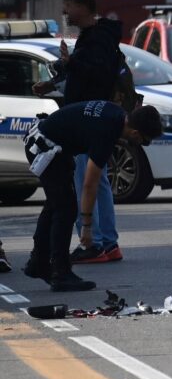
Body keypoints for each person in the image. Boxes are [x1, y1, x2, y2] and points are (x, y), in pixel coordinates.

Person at [22, 102, 162, 292]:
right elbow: (89, 184)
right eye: (144, 141)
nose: (141, 144)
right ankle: (60, 273)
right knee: (66, 208)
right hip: (45, 148)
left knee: (56, 203)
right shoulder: (107, 132)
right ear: (136, 133)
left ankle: (39, 262)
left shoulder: (116, 113)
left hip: (47, 140)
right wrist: (87, 228)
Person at [34, 0, 126, 265]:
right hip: (94, 118)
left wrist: (71, 63)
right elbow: (86, 69)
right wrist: (57, 76)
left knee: (84, 181)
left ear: (84, 7)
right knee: (100, 183)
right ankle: (108, 243)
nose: (65, 12)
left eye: (69, 5)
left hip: (87, 121)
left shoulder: (96, 40)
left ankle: (94, 243)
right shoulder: (97, 37)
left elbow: (94, 72)